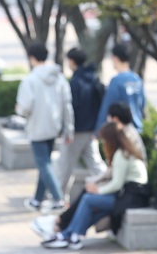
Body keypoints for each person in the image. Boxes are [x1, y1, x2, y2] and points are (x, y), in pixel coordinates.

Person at [32, 101, 147, 240]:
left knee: (89, 198)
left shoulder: (123, 142)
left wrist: (97, 188)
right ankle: (65, 230)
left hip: (128, 193)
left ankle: (63, 228)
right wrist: (95, 182)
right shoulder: (126, 134)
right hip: (126, 190)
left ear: (115, 119)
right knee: (88, 194)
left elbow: (117, 180)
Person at [16, 42, 74, 213]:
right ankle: (37, 200)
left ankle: (58, 198)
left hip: (37, 126)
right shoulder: (59, 78)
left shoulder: (30, 80)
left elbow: (24, 106)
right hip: (54, 127)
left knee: (44, 164)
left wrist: (18, 110)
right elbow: (67, 105)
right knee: (45, 163)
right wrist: (68, 128)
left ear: (32, 58)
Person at [55, 48, 107, 200]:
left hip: (76, 132)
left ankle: (59, 198)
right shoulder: (94, 79)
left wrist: (67, 130)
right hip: (91, 131)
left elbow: (71, 109)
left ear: (71, 61)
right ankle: (108, 188)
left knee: (65, 166)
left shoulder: (75, 83)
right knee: (96, 164)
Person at [95, 43, 146, 133]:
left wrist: (98, 130)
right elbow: (142, 104)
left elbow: (107, 107)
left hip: (121, 132)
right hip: (136, 130)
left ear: (115, 58)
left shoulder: (116, 81)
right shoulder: (137, 79)